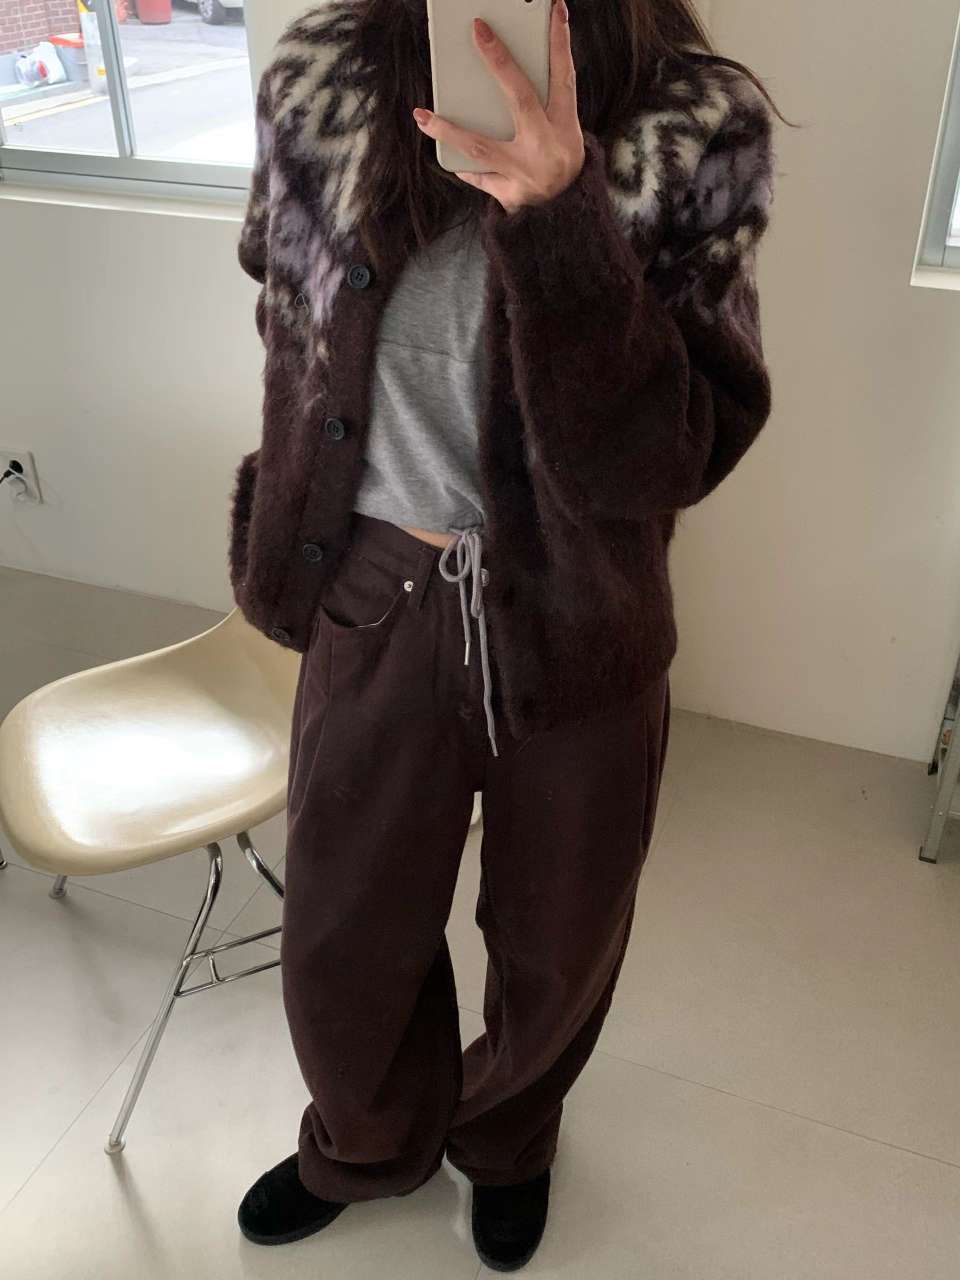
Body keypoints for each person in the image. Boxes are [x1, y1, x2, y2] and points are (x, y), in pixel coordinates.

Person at [229, 0, 779, 1269]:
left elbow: (677, 449)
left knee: (559, 936)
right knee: (341, 934)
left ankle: (511, 1135)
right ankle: (367, 1142)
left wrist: (565, 216)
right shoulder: (319, 77)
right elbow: (284, 307)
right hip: (377, 585)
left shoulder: (698, 119)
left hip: (581, 606)